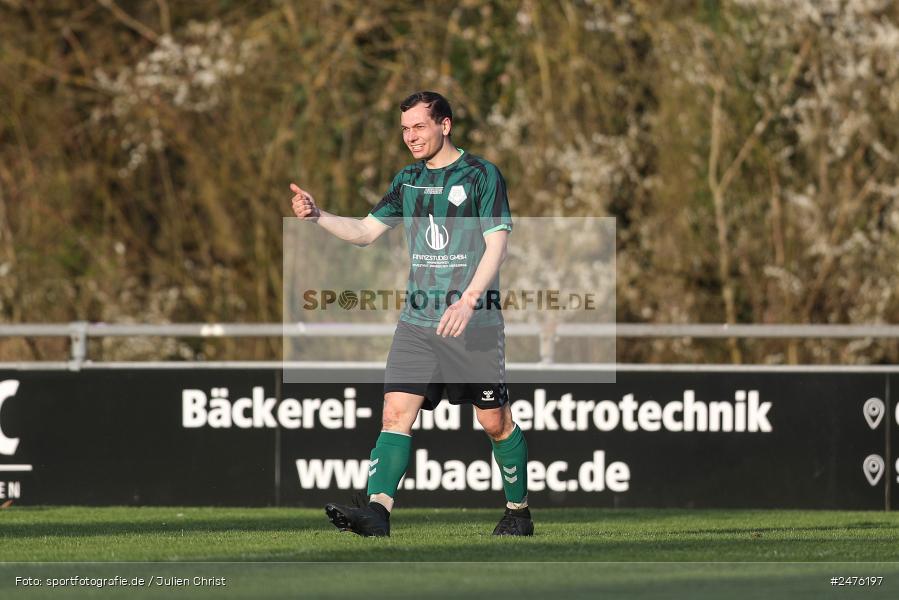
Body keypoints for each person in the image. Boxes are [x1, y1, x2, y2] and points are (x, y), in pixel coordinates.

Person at [289, 91, 532, 537]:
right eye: (404, 129)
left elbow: (498, 242)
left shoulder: (482, 175)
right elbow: (365, 232)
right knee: (395, 414)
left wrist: (469, 299)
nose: (410, 137)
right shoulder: (408, 180)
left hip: (473, 322)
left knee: (493, 421)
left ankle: (518, 511)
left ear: (445, 125)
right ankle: (377, 513)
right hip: (418, 323)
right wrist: (318, 215)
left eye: (419, 126)